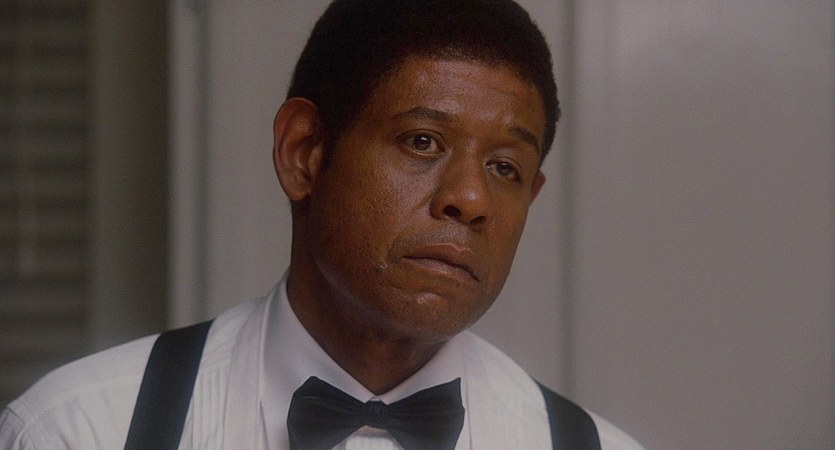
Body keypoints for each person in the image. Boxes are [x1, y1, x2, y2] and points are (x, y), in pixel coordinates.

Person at [0, 0, 644, 448]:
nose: (471, 199)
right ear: (304, 152)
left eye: (505, 168)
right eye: (422, 141)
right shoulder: (83, 430)